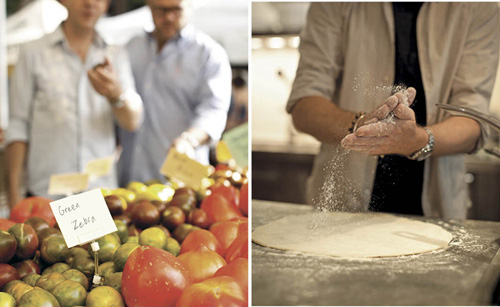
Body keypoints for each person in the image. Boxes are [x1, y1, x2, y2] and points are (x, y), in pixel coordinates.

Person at [287, 2, 500, 219]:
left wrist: (418, 139)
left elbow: (473, 121)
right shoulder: (334, 5)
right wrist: (361, 126)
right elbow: (304, 105)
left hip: (437, 210)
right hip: (341, 211)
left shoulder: (479, 7)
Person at [5, 0, 143, 207]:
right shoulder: (32, 52)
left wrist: (115, 94)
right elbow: (18, 126)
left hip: (101, 195)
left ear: (107, 4)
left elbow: (133, 122)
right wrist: (14, 197)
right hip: (47, 196)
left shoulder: (115, 54)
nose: (89, 3)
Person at [117, 0, 232, 186]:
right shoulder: (132, 47)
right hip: (130, 174)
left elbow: (213, 111)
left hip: (180, 178)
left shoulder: (209, 54)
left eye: (176, 10)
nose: (168, 17)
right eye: (161, 10)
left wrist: (189, 140)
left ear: (190, 7)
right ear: (149, 7)